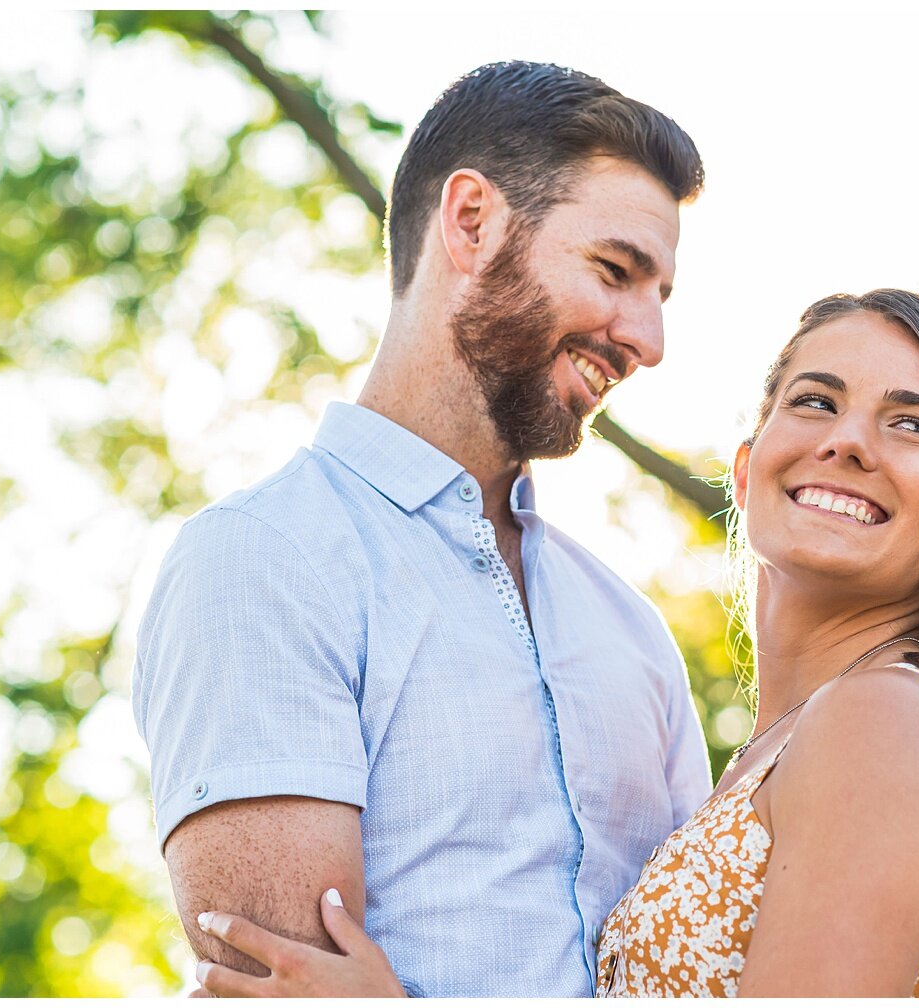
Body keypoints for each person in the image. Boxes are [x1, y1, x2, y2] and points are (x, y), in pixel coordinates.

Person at [192, 289, 919, 997]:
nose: (850, 442)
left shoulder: (888, 720)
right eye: (816, 401)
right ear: (746, 473)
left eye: (914, 425)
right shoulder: (781, 752)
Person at [131, 61, 712, 999]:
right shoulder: (262, 561)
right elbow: (279, 988)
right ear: (472, 221)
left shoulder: (633, 633)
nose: (646, 338)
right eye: (615, 271)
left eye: (659, 295)